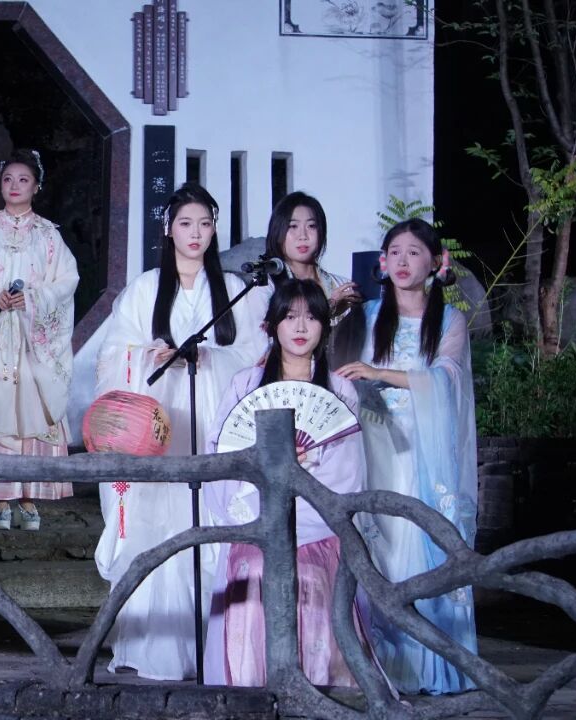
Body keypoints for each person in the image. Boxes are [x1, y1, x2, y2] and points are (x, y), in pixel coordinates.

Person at [91, 183, 269, 681]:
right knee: (159, 526)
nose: (196, 234)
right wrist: (152, 356)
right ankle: (160, 648)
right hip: (160, 427)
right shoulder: (146, 288)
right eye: (186, 223)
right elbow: (112, 355)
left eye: (205, 224)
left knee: (214, 522)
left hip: (214, 425)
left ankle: (224, 649)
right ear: (168, 229)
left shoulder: (234, 289)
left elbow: (256, 356)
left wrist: (208, 358)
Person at [203, 279, 375, 687]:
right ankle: (251, 686)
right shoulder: (245, 385)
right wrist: (265, 469)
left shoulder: (341, 391)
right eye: (290, 316)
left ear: (324, 328)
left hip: (316, 525)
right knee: (255, 567)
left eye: (312, 317)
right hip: (257, 514)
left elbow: (346, 472)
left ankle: (320, 687)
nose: (300, 327)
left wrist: (302, 470)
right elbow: (222, 452)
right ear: (272, 325)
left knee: (309, 574)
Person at [337, 217, 477, 694]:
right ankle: (383, 665)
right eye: (394, 252)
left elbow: (447, 378)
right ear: (382, 262)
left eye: (414, 252)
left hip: (423, 452)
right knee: (381, 550)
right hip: (374, 446)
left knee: (424, 546)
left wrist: (380, 373)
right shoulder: (366, 315)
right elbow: (337, 371)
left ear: (436, 263)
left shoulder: (450, 320)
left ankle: (433, 664)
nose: (402, 261)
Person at [0, 148, 79, 531]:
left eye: (23, 180)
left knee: (30, 413)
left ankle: (28, 494)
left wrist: (33, 298)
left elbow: (67, 281)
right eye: (8, 179)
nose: (15, 185)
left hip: (31, 339)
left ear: (36, 186)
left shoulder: (48, 235)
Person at [263, 191, 360, 321]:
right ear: (277, 231)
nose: (303, 236)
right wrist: (330, 306)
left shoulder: (343, 286)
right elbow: (263, 332)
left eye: (311, 226)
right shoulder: (265, 286)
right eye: (293, 226)